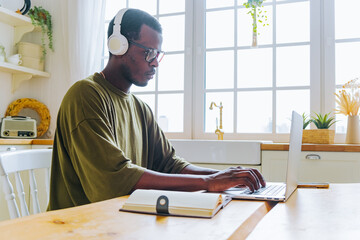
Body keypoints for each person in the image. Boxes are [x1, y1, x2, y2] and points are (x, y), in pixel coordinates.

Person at [48, 8, 266, 211]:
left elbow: (168, 164)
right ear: (118, 46)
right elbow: (114, 180)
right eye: (149, 53)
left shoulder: (140, 108)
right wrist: (208, 182)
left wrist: (226, 177)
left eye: (158, 54)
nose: (155, 63)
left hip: (121, 223)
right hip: (79, 227)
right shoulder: (86, 95)